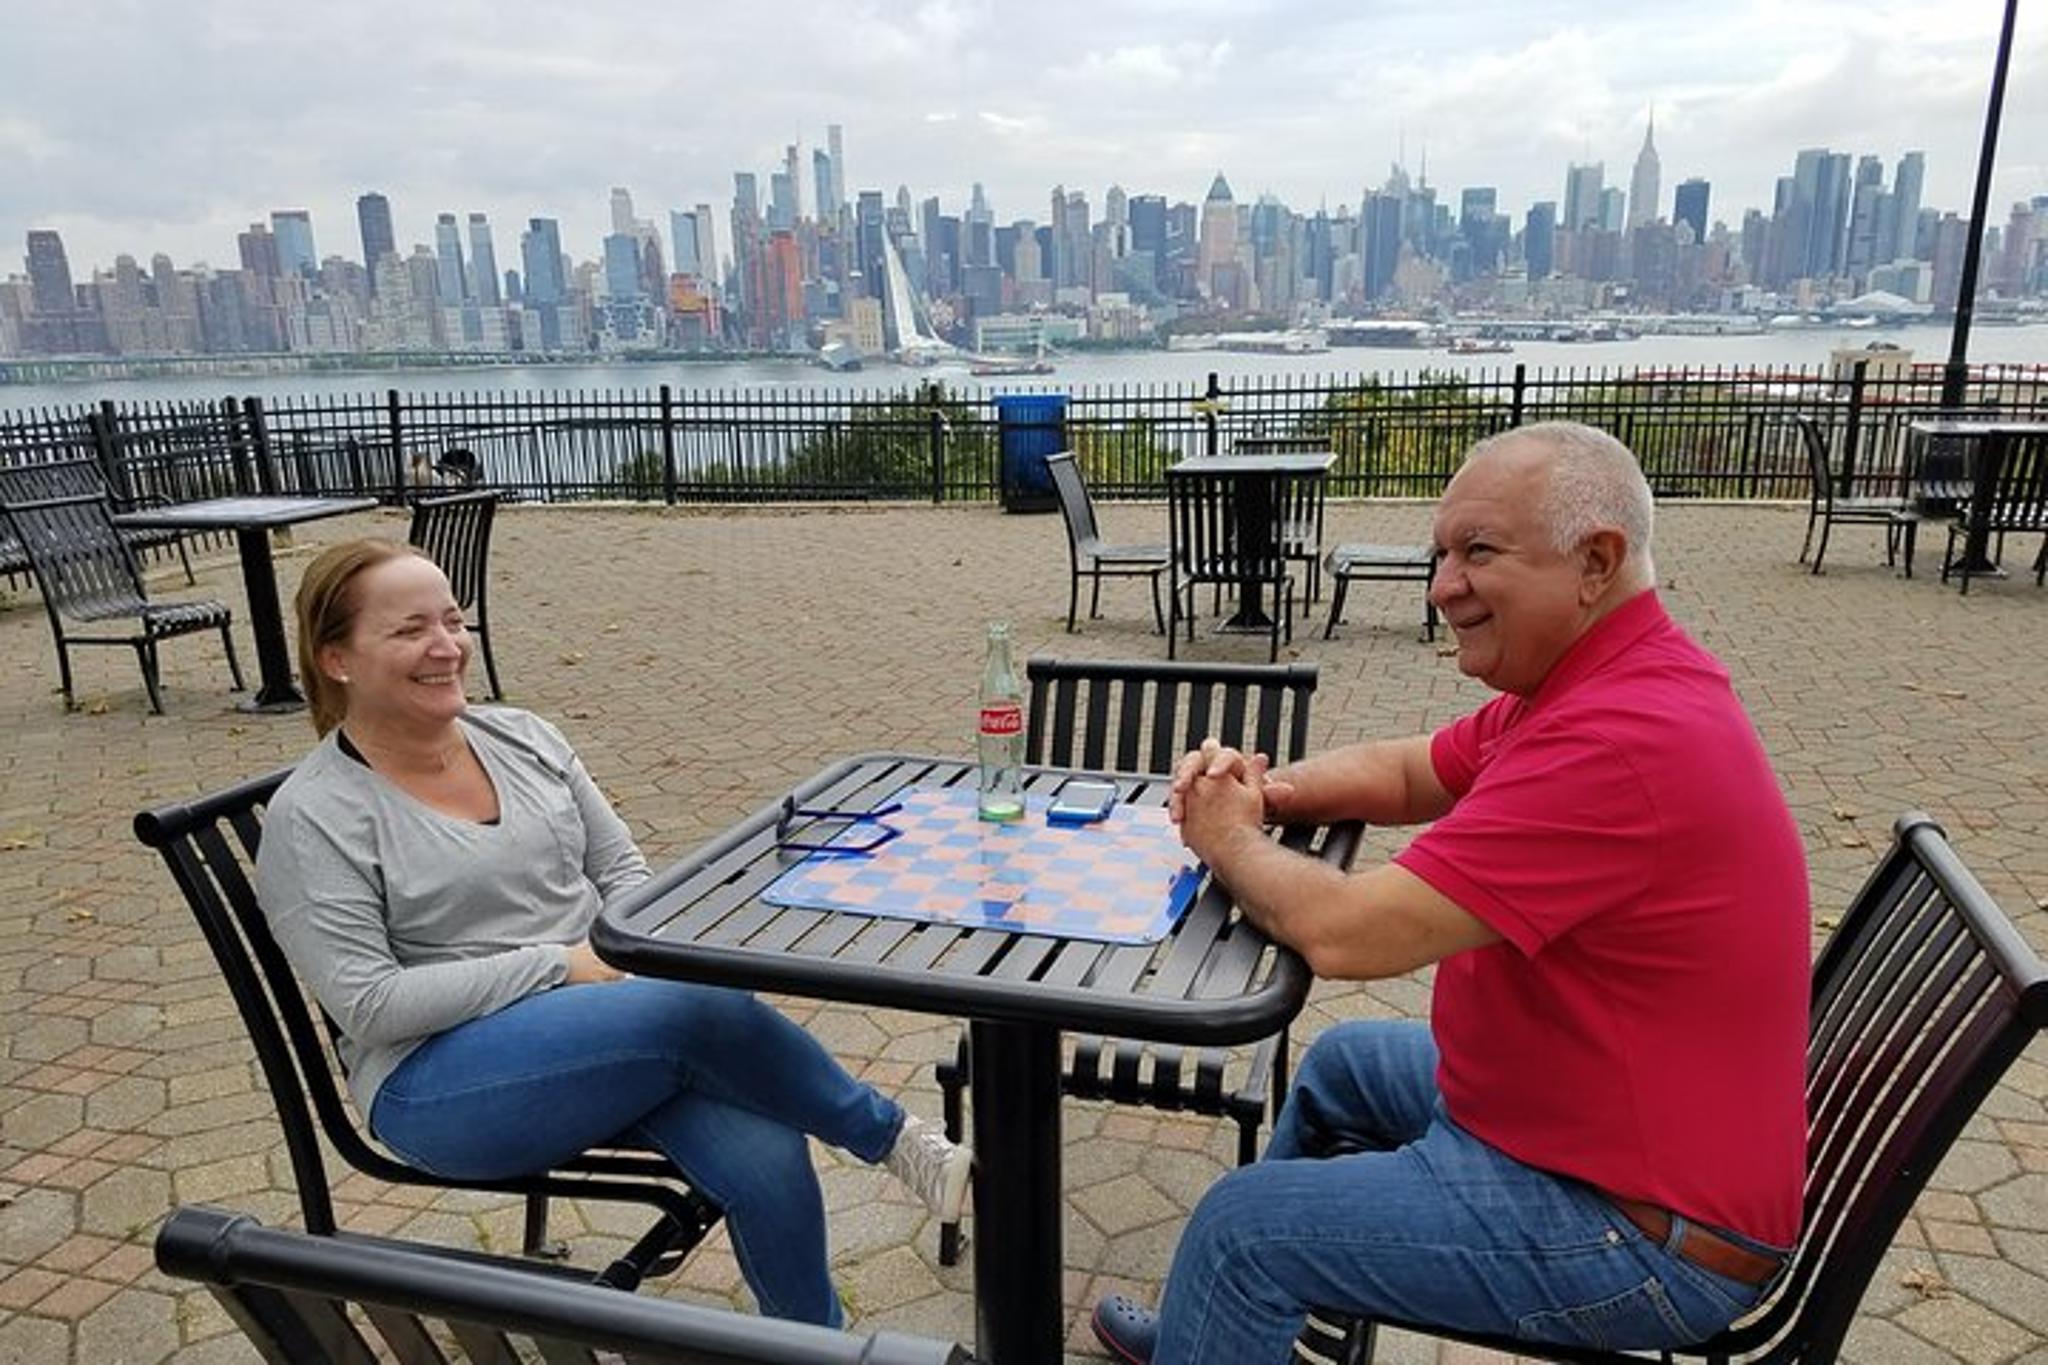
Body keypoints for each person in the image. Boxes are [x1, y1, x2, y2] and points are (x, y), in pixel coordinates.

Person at [1092, 422, 1809, 1364]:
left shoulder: (1621, 741)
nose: (1442, 586)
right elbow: (1406, 770)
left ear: (1595, 562)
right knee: (1342, 1065)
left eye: (1478, 552)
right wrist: (1264, 793)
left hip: (1637, 1231)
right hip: (1578, 1125)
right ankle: (1227, 1332)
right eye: (1440, 553)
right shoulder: (1588, 681)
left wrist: (1223, 834)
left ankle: (1231, 1299)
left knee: (1241, 1230)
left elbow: (1350, 936)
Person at [254, 538, 970, 1328]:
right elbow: (370, 1003)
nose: (446, 645)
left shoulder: (526, 737)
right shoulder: (315, 816)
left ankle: (814, 1347)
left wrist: (629, 966)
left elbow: (627, 877)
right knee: (699, 1012)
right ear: (336, 659)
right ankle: (891, 1137)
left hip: (603, 1029)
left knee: (767, 1143)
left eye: (453, 620)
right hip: (438, 1081)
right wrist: (559, 966)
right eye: (409, 629)